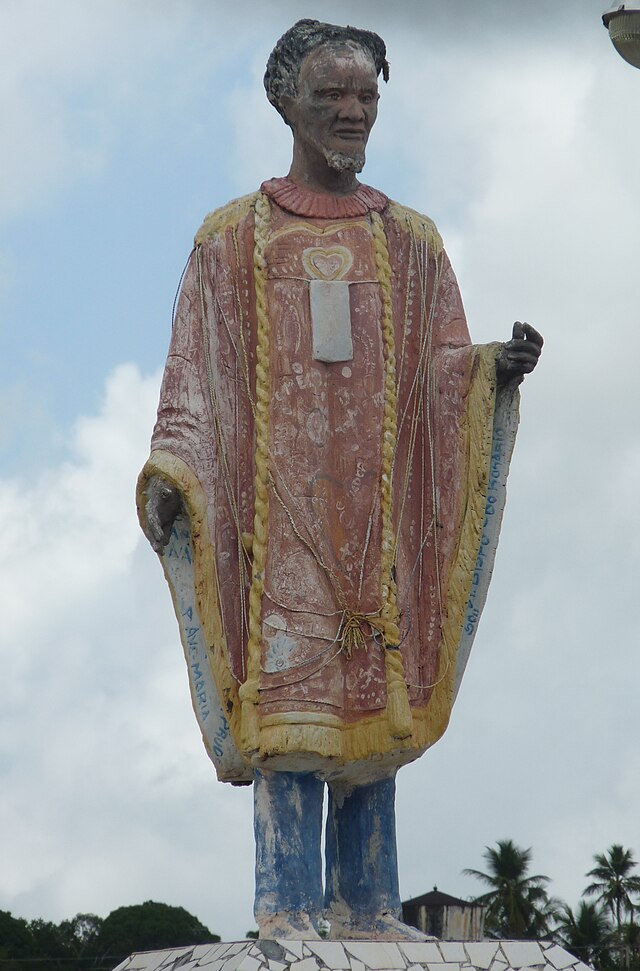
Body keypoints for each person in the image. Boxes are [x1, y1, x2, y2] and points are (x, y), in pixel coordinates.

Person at [137, 19, 542, 941]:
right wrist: (176, 466)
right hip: (275, 522)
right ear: (287, 102)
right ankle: (284, 900)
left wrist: (491, 372)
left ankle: (366, 900)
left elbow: (443, 365)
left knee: (377, 699)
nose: (352, 113)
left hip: (379, 519)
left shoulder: (412, 241)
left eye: (365, 97)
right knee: (289, 705)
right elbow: (194, 368)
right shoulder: (230, 238)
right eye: (332, 97)